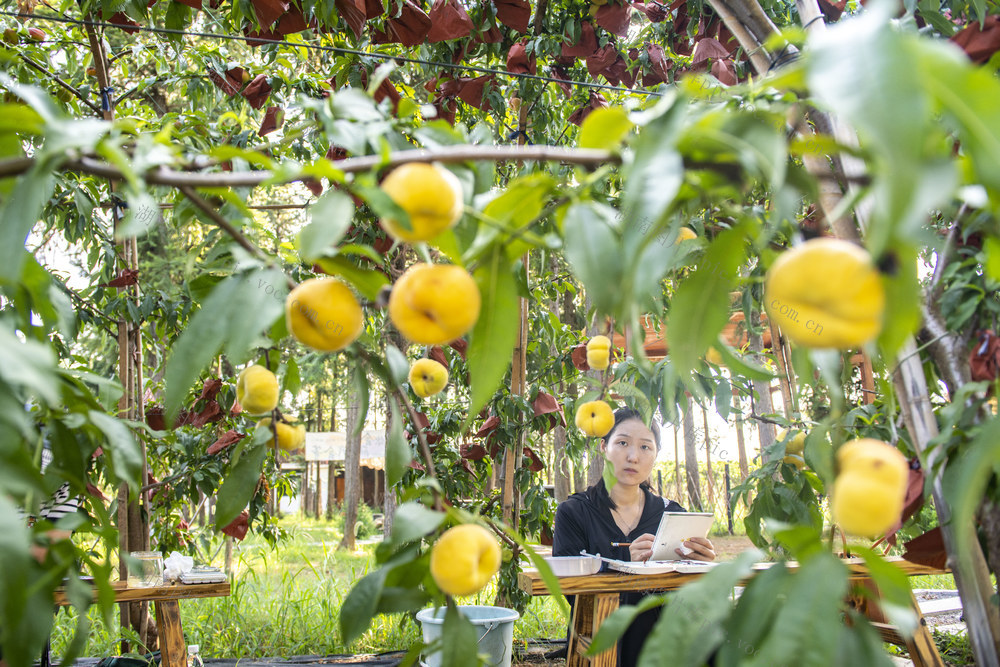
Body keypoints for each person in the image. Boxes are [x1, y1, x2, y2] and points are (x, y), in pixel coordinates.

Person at [552, 407, 716, 667]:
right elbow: (569, 590)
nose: (633, 456)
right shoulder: (574, 512)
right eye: (623, 443)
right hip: (604, 624)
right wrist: (624, 563)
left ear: (655, 455)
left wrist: (700, 564)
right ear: (603, 447)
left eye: (645, 447)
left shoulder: (672, 514)